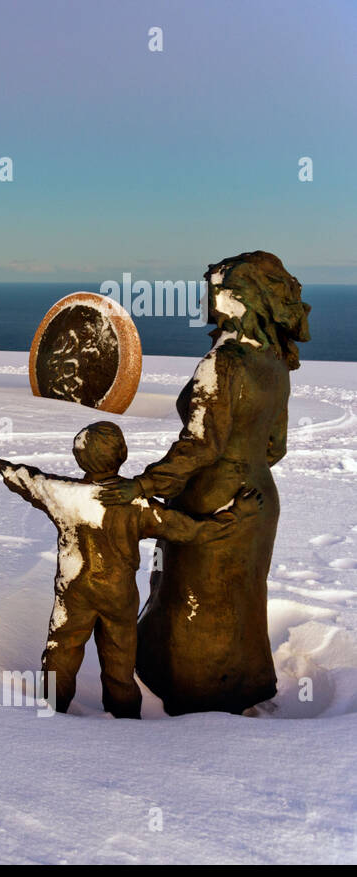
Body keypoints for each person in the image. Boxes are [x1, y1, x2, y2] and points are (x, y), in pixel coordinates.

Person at [97, 251, 311, 714]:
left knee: (192, 598)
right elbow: (276, 447)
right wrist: (247, 466)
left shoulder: (224, 362)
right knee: (242, 600)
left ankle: (191, 693)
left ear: (244, 299)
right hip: (259, 497)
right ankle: (241, 685)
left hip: (211, 495)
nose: (210, 299)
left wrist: (145, 484)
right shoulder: (275, 364)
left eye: (219, 290)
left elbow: (200, 445)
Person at [0, 422, 261, 718]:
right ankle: (124, 718)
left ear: (79, 459)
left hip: (75, 591)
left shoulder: (65, 495)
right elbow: (190, 530)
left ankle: (49, 708)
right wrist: (237, 515)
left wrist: (1, 467)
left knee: (61, 649)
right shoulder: (137, 505)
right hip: (119, 596)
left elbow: (31, 481)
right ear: (122, 454)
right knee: (120, 660)